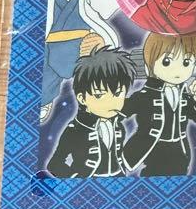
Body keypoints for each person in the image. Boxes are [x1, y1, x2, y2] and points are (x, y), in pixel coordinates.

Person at [41, 0, 119, 124]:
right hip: (51, 51)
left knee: (97, 76)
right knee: (45, 77)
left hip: (81, 50)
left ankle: (98, 106)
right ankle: (44, 101)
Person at [122, 33, 196, 176]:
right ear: (149, 63)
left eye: (186, 62)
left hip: (180, 150)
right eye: (167, 61)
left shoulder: (186, 95)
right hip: (151, 149)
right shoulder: (145, 96)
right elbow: (119, 112)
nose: (177, 70)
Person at [45, 48, 137, 178]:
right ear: (82, 98)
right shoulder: (74, 130)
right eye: (99, 95)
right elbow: (55, 164)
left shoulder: (119, 127)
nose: (111, 102)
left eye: (117, 94)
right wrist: (76, 178)